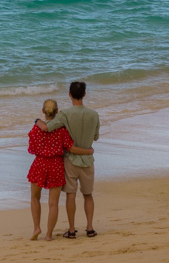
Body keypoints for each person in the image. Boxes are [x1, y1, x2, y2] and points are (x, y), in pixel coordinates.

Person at [36, 81, 100, 239]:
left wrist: (37, 120)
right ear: (84, 94)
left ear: (70, 94)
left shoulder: (65, 114)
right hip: (87, 160)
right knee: (88, 195)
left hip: (70, 161)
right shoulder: (94, 114)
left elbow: (47, 127)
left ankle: (71, 230)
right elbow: (96, 137)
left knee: (70, 195)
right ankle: (90, 228)